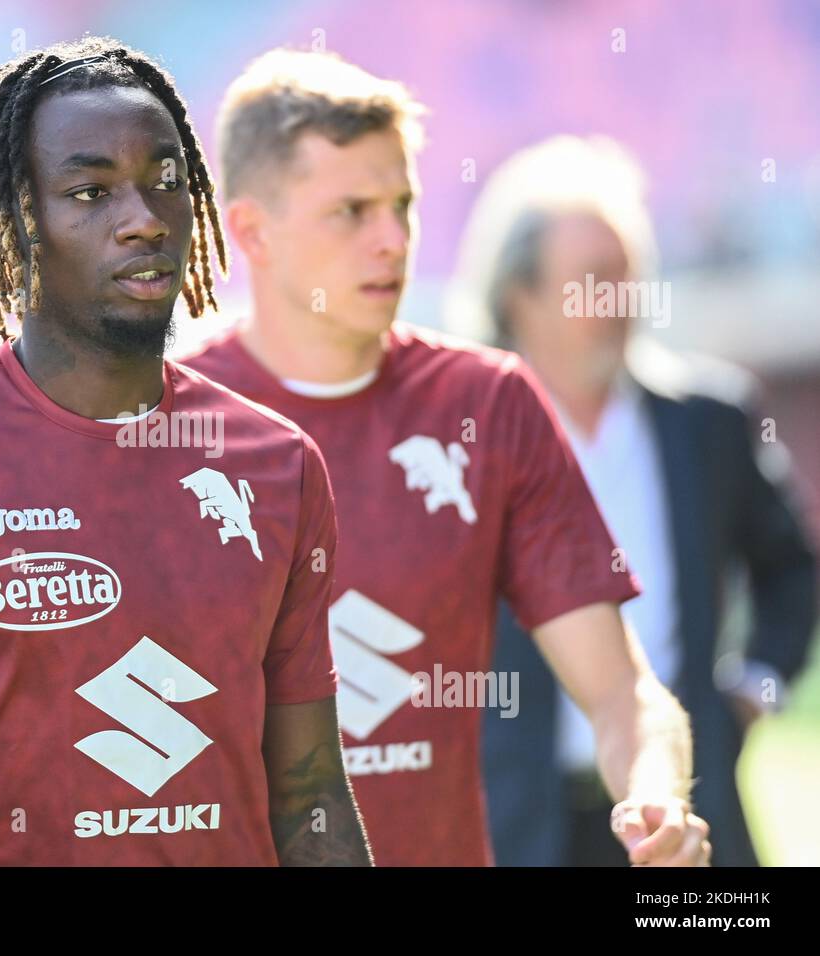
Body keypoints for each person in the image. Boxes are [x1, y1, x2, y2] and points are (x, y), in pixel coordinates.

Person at [0, 37, 371, 866]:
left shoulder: (276, 465)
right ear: (18, 218)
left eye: (165, 180)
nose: (142, 218)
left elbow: (311, 798)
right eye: (90, 191)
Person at [181, 48, 709, 865]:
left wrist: (655, 794)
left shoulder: (488, 405)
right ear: (251, 230)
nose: (393, 241)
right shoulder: (157, 418)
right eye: (351, 211)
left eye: (403, 204)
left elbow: (624, 694)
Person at [449, 134, 819, 866]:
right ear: (518, 294)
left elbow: (791, 567)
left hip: (686, 815)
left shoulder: (707, 419)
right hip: (514, 824)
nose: (618, 303)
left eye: (628, 277)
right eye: (592, 280)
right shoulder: (451, 435)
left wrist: (754, 689)